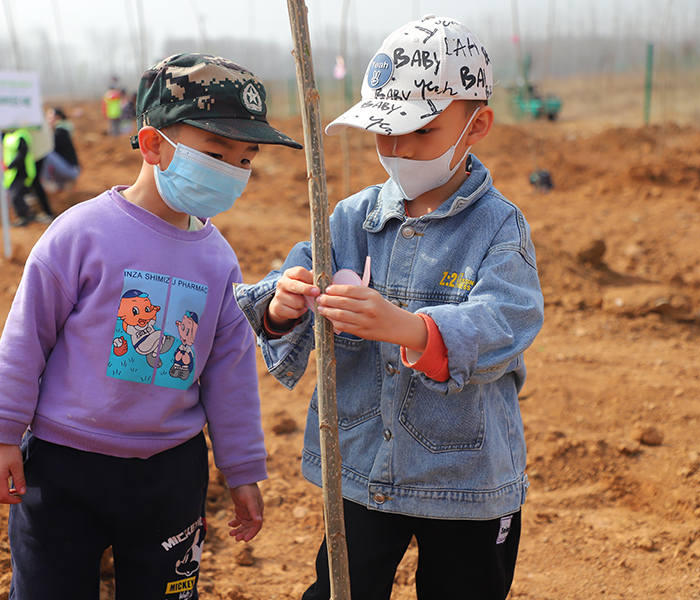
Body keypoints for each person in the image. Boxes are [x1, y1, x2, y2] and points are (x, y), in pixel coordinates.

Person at [233, 16, 545, 600]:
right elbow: (280, 294)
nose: (397, 149)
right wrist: (284, 303)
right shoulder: (350, 218)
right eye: (384, 131)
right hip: (361, 468)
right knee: (340, 589)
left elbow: (509, 320)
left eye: (419, 131)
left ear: (476, 125)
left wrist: (409, 329)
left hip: (465, 482)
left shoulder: (499, 227)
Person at [0, 53, 302, 599]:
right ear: (152, 145)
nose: (233, 171)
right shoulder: (80, 234)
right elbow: (27, 335)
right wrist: (2, 435)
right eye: (216, 153)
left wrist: (242, 470)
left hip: (169, 474)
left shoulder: (218, 259)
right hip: (62, 465)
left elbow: (230, 373)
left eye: (245, 160)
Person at [40, 107, 80, 192]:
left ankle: (45, 183)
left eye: (50, 117)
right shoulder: (63, 131)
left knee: (46, 153)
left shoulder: (61, 132)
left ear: (58, 118)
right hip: (67, 170)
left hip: (70, 170)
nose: (48, 120)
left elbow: (49, 146)